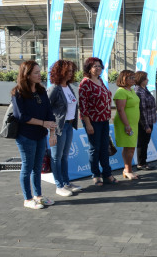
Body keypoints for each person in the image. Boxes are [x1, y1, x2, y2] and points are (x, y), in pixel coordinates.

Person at [12, 60, 57, 209]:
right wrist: (43, 123)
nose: (40, 75)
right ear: (27, 75)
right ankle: (28, 198)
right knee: (27, 167)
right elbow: (21, 116)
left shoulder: (41, 91)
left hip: (40, 135)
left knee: (38, 167)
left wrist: (52, 133)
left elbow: (49, 113)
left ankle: (38, 196)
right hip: (26, 136)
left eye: (39, 72)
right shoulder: (18, 93)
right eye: (36, 73)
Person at [79, 57, 117, 186]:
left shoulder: (100, 80)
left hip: (104, 120)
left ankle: (107, 173)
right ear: (88, 68)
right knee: (94, 149)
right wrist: (88, 124)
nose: (98, 68)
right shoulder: (85, 83)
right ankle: (96, 174)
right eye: (95, 66)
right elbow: (83, 106)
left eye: (99, 66)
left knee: (104, 148)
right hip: (92, 121)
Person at [47, 60, 82, 197]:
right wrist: (51, 131)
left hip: (69, 125)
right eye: (67, 71)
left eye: (72, 71)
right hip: (59, 127)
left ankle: (66, 182)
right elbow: (47, 109)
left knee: (65, 157)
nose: (70, 73)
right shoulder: (55, 88)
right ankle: (59, 185)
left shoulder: (69, 87)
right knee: (56, 157)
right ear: (59, 72)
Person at [114, 70, 140, 179]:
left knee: (131, 147)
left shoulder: (131, 90)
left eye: (133, 78)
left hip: (133, 123)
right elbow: (120, 110)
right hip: (125, 123)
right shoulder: (121, 91)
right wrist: (127, 125)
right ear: (123, 78)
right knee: (129, 147)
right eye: (130, 78)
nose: (133, 80)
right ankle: (128, 170)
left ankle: (127, 169)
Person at [134, 71, 157, 171]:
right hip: (144, 122)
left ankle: (144, 161)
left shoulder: (145, 89)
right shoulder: (139, 91)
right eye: (146, 78)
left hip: (150, 120)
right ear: (141, 80)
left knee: (145, 142)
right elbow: (141, 110)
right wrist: (146, 125)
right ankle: (141, 163)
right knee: (142, 142)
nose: (147, 80)